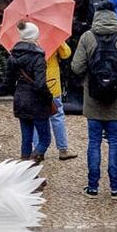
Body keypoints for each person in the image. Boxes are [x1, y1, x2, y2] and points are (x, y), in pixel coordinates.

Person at [71, 9, 117, 199]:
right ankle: (115, 188)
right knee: (115, 142)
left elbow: (76, 67)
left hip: (93, 99)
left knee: (94, 142)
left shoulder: (87, 37)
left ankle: (92, 187)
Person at [6, 22, 53, 164]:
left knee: (26, 138)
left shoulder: (12, 56)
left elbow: (8, 82)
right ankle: (31, 166)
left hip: (21, 99)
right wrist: (48, 97)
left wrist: (18, 93)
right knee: (45, 139)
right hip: (37, 101)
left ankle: (25, 172)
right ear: (35, 36)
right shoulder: (38, 56)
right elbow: (40, 84)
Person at [33, 33, 77, 161]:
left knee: (37, 118)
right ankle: (63, 149)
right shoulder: (52, 35)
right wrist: (60, 40)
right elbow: (66, 53)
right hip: (52, 83)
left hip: (35, 83)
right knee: (57, 115)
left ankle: (38, 150)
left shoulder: (29, 39)